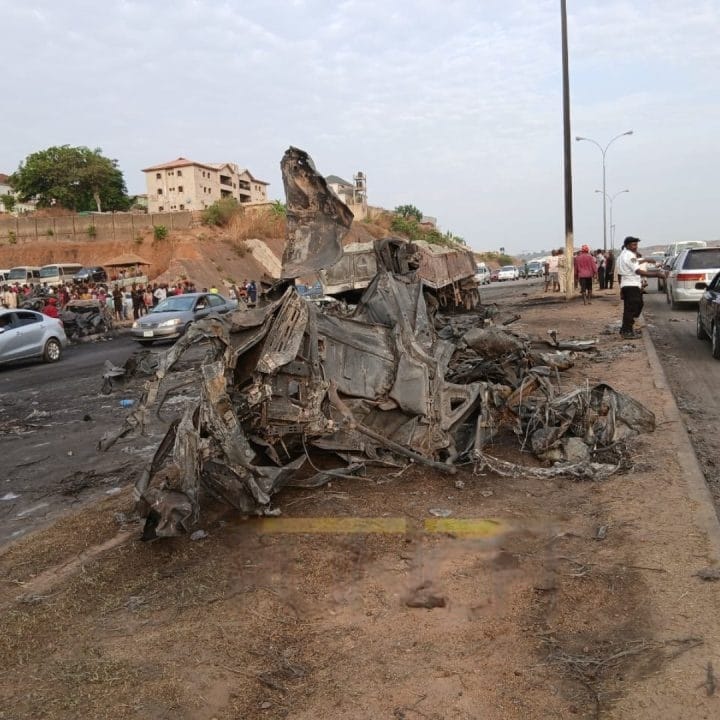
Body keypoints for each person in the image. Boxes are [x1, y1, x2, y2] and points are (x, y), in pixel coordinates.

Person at [616, 236, 663, 338]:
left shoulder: (622, 255)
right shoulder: (629, 255)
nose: (635, 247)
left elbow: (635, 263)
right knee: (633, 308)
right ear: (627, 245)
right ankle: (626, 331)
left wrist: (646, 259)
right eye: (633, 245)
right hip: (631, 285)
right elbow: (637, 270)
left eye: (636, 244)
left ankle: (626, 328)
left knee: (632, 307)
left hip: (627, 285)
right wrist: (656, 274)